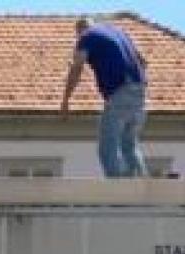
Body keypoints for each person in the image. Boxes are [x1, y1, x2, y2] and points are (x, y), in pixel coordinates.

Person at [60, 17, 148, 178]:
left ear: (80, 31)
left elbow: (77, 67)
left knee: (108, 146)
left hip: (121, 92)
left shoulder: (87, 37)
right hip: (139, 91)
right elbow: (143, 61)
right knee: (128, 145)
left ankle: (117, 189)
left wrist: (66, 99)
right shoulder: (118, 32)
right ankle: (140, 185)